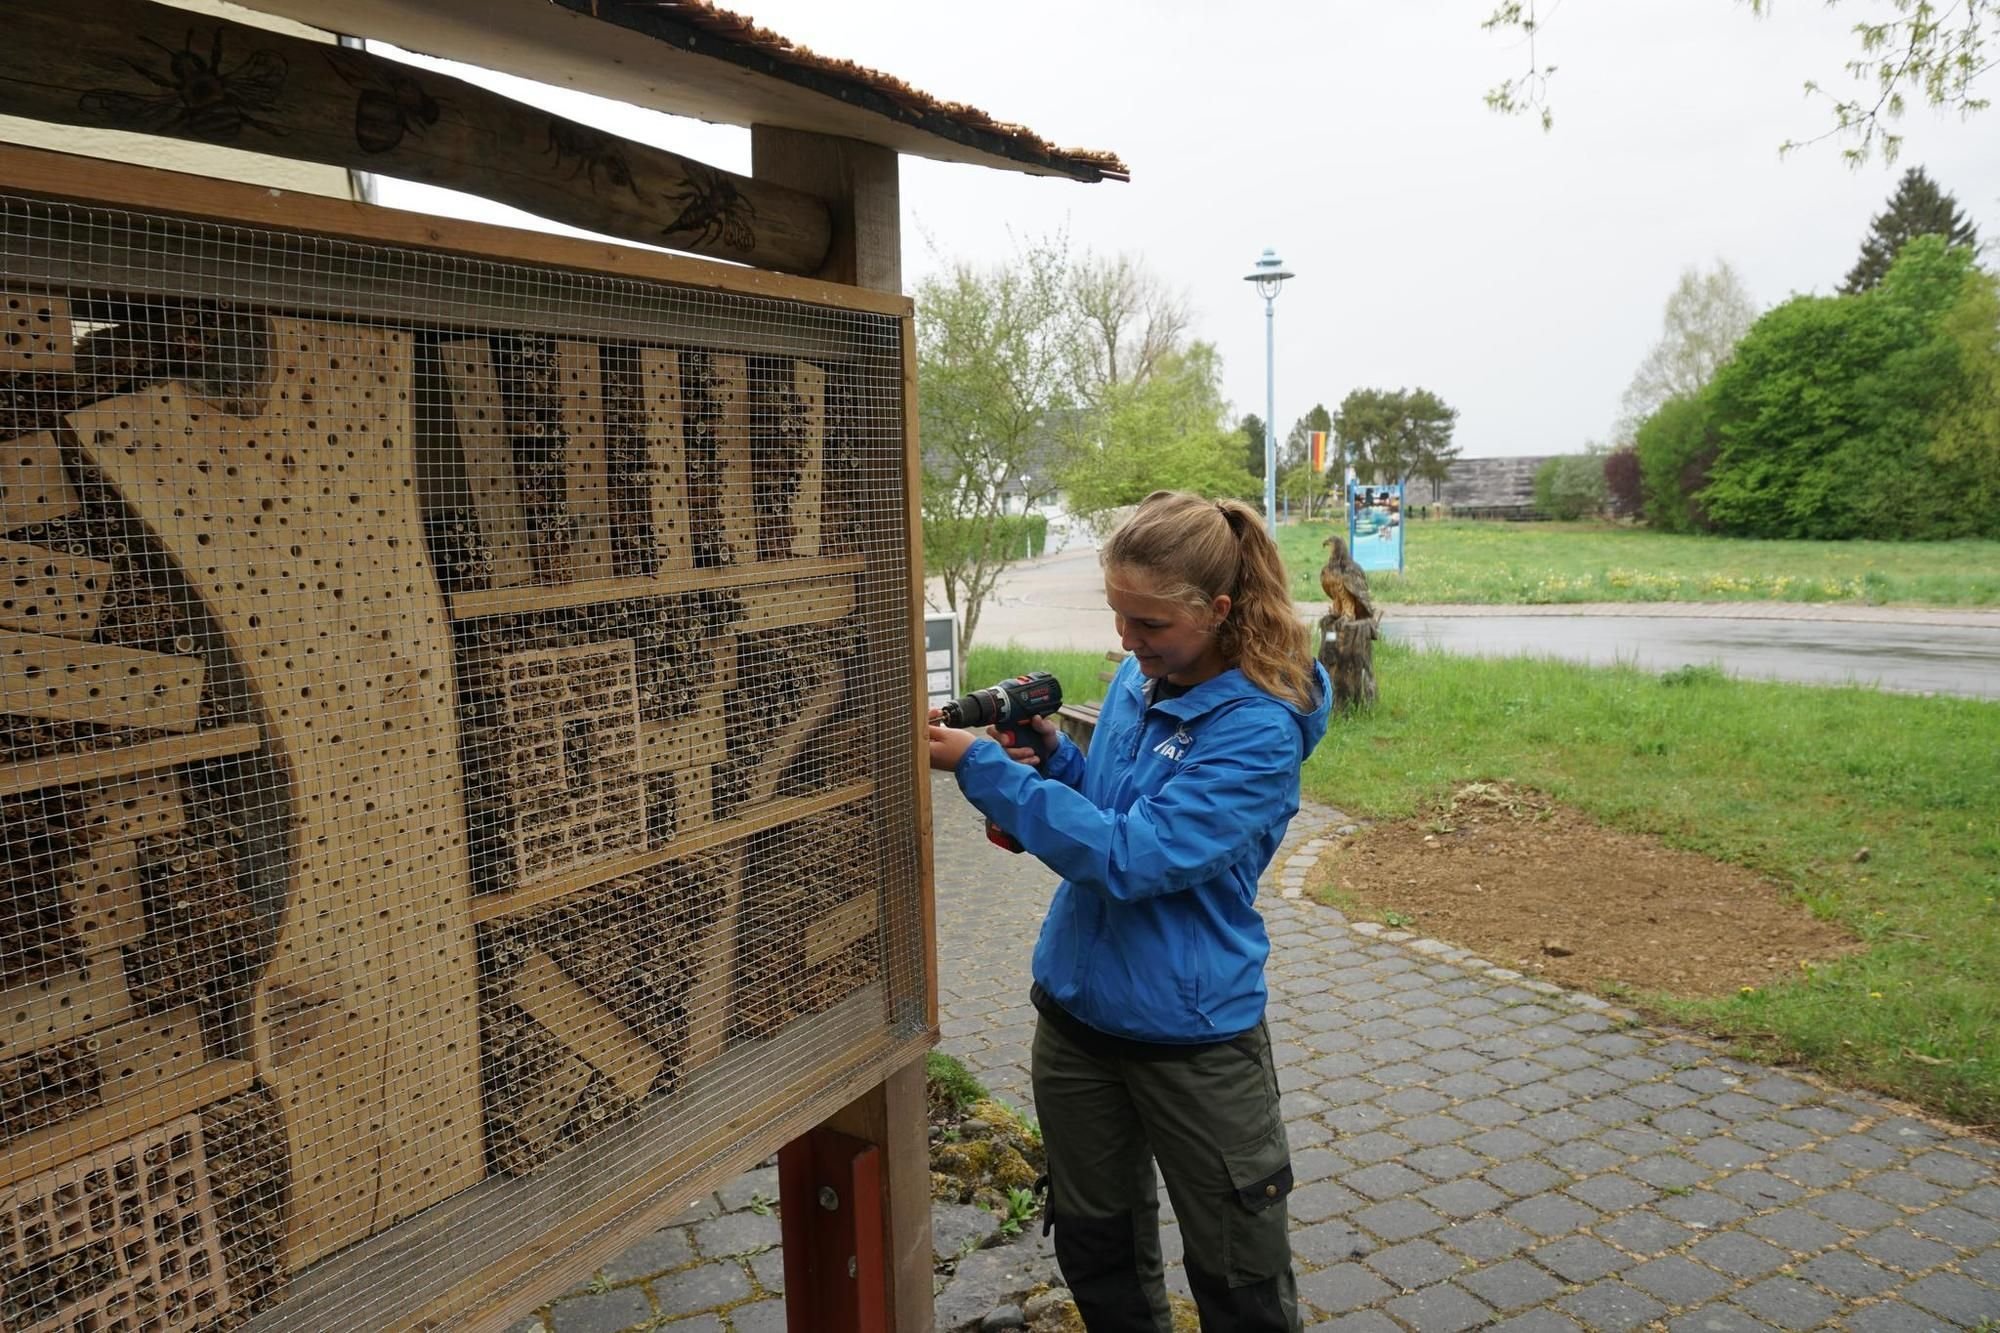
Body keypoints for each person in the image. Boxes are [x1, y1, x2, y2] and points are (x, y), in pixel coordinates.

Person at [928, 491, 1331, 1332]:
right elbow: (1111, 806)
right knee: (1097, 1249)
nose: (1126, 642)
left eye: (1149, 625)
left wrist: (992, 773)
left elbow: (1132, 856)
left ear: (1217, 611)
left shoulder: (1259, 729)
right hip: (1077, 1021)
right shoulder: (1136, 676)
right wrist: (1053, 762)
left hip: (1193, 1042)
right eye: (1119, 617)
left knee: (1239, 1275)